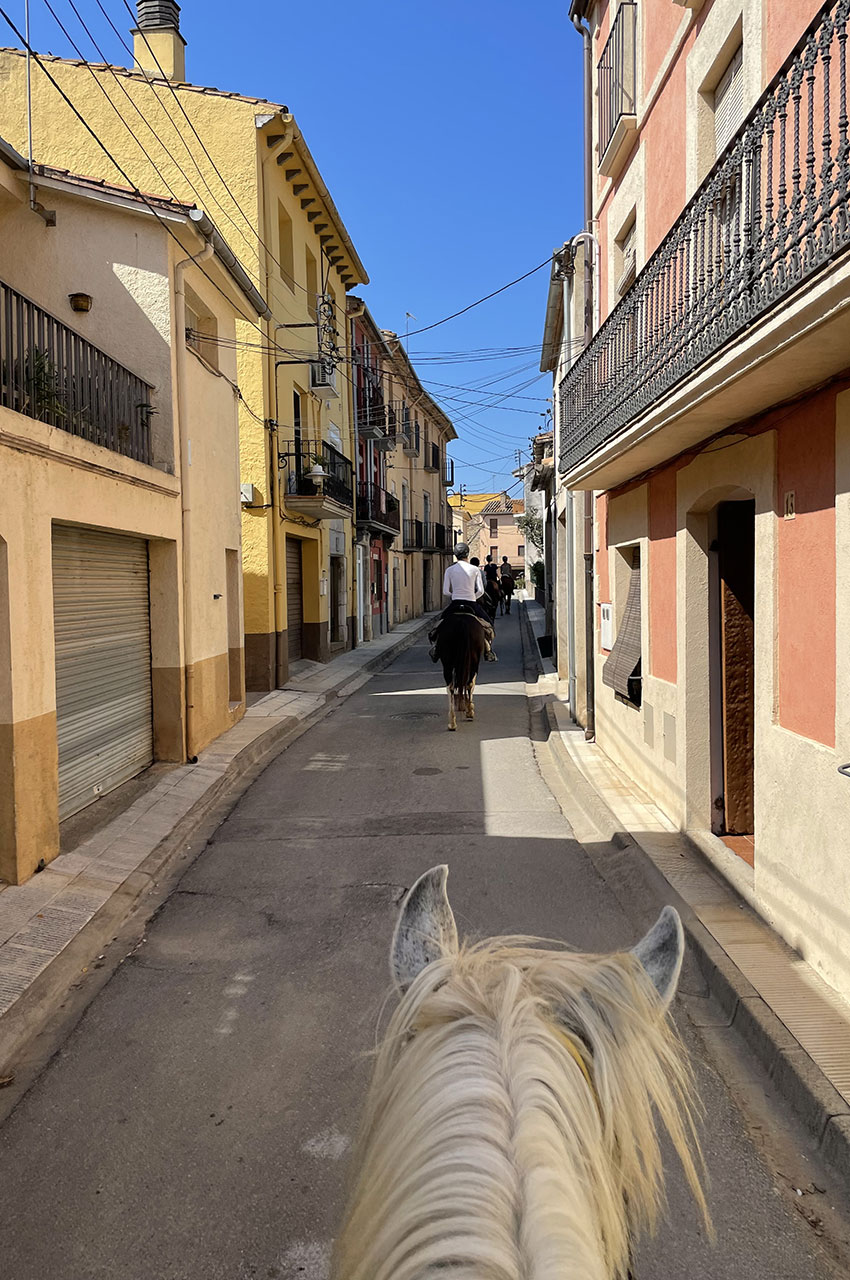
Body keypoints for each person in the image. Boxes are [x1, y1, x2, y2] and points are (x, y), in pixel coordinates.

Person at [429, 543, 497, 662]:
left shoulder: (449, 570)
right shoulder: (475, 569)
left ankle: (436, 649)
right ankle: (488, 651)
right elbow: (481, 590)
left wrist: (455, 595)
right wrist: (472, 597)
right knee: (489, 625)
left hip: (455, 603)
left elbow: (445, 591)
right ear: (467, 553)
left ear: (455, 555)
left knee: (438, 626)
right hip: (471, 603)